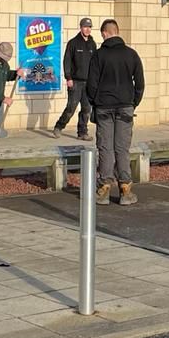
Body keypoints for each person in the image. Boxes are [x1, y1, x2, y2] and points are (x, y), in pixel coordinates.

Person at [84, 18, 145, 205]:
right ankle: (125, 189)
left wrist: (95, 101)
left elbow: (91, 84)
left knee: (105, 148)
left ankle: (104, 189)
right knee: (122, 148)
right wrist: (133, 103)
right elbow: (140, 83)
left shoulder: (98, 55)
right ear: (117, 31)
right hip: (125, 106)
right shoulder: (131, 54)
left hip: (104, 106)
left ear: (105, 33)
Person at [53, 17, 97, 140]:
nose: (87, 29)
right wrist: (68, 77)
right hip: (75, 82)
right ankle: (59, 126)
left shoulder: (92, 44)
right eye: (85, 27)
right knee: (71, 107)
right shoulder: (73, 43)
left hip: (88, 82)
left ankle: (82, 132)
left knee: (86, 109)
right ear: (81, 27)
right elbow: (66, 61)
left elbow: (95, 63)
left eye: (89, 27)